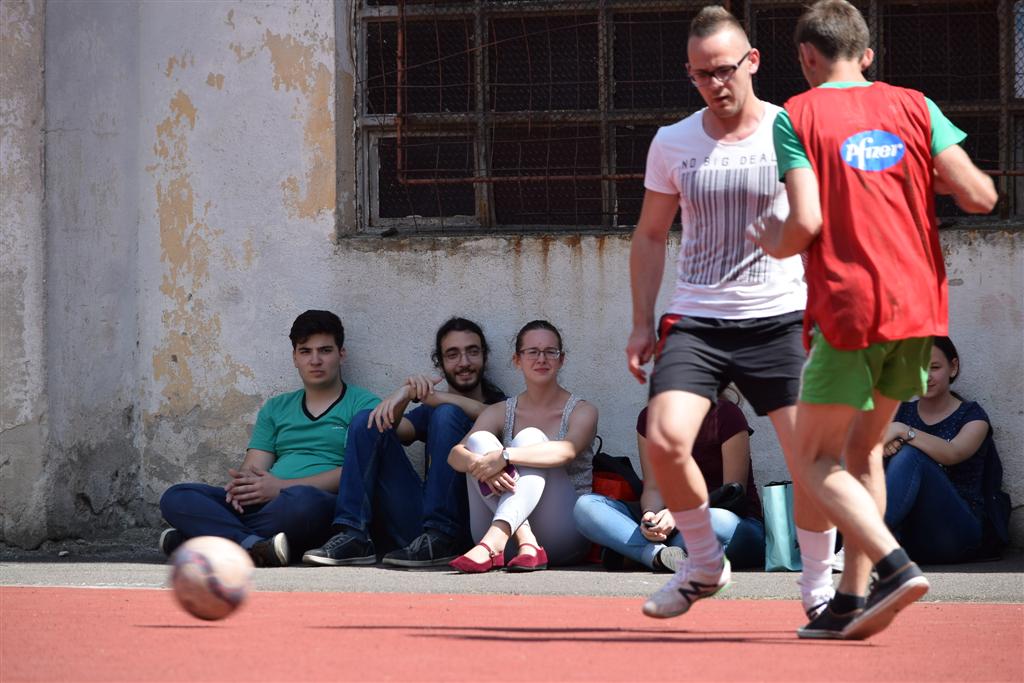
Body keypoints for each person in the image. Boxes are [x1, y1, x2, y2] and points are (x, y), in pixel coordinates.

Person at [750, 0, 997, 639]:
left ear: (806, 57)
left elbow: (805, 222)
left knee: (813, 460)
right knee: (863, 452)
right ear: (866, 54)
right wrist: (910, 173)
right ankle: (851, 599)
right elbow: (980, 195)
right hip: (918, 311)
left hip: (849, 309)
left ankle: (893, 565)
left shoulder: (796, 114)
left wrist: (772, 239)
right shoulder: (916, 105)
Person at [625, 5, 837, 622]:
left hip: (781, 317)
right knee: (666, 440)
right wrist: (641, 321)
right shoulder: (673, 141)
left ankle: (818, 587)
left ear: (753, 62)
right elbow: (650, 236)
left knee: (810, 459)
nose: (715, 83)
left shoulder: (791, 128)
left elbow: (821, 224)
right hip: (697, 319)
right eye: (701, 74)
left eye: (724, 69)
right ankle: (703, 562)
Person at [159, 310, 381, 566]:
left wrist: (281, 487)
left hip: (314, 504)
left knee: (302, 502)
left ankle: (205, 537)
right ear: (295, 358)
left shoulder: (363, 404)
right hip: (265, 506)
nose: (315, 360)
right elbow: (254, 468)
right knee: (177, 496)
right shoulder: (276, 407)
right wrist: (243, 490)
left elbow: (357, 472)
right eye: (305, 351)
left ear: (341, 354)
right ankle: (253, 544)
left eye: (325, 350)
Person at [302, 318, 505, 567]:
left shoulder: (502, 406)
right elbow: (394, 431)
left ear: (485, 356)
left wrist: (441, 398)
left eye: (472, 352)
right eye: (453, 354)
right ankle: (354, 534)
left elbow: (497, 417)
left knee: (447, 413)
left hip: (470, 528)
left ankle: (442, 538)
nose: (464, 362)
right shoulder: (433, 408)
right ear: (440, 363)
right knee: (367, 421)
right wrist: (404, 396)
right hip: (420, 529)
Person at [447, 320, 598, 572]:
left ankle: (500, 538)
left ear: (561, 360)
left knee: (531, 437)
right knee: (478, 441)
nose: (542, 359)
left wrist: (505, 456)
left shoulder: (582, 410)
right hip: (508, 543)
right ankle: (524, 540)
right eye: (532, 352)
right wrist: (481, 463)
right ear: (517, 360)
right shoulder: (501, 411)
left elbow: (567, 450)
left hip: (563, 534)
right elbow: (454, 455)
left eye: (550, 352)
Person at [574, 394, 765, 572]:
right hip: (669, 525)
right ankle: (658, 555)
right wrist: (650, 515)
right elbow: (653, 488)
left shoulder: (727, 414)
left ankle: (636, 552)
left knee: (718, 523)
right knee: (586, 505)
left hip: (725, 520)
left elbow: (732, 491)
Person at [882, 337, 996, 564]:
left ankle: (864, 542)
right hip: (910, 534)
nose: (925, 376)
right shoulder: (899, 412)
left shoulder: (972, 417)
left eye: (934, 367)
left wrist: (904, 432)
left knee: (911, 456)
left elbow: (953, 453)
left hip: (958, 532)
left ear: (953, 367)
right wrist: (884, 448)